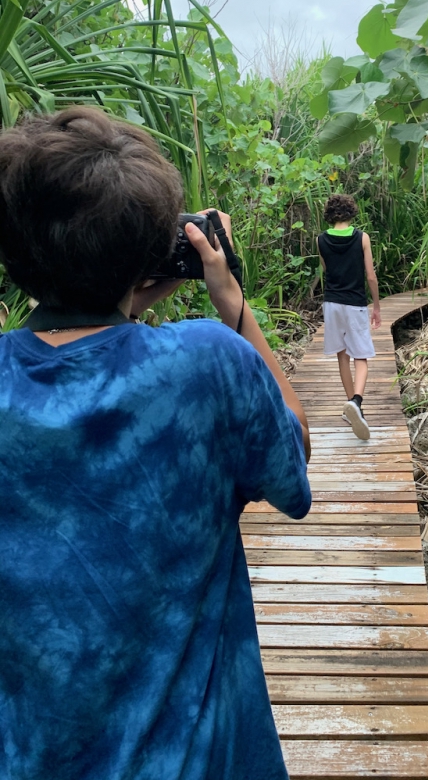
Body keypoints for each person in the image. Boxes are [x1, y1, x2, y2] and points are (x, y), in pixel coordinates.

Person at [0, 106, 311, 780]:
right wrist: (231, 303)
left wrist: (120, 294)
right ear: (144, 250)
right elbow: (294, 468)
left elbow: (73, 343)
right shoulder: (208, 363)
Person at [317, 194, 381, 440]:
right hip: (355, 303)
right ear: (352, 212)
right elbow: (371, 276)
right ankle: (356, 400)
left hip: (332, 303)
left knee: (342, 354)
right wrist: (376, 306)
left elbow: (327, 269)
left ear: (330, 215)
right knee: (361, 355)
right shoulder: (362, 238)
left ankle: (351, 407)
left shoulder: (320, 240)